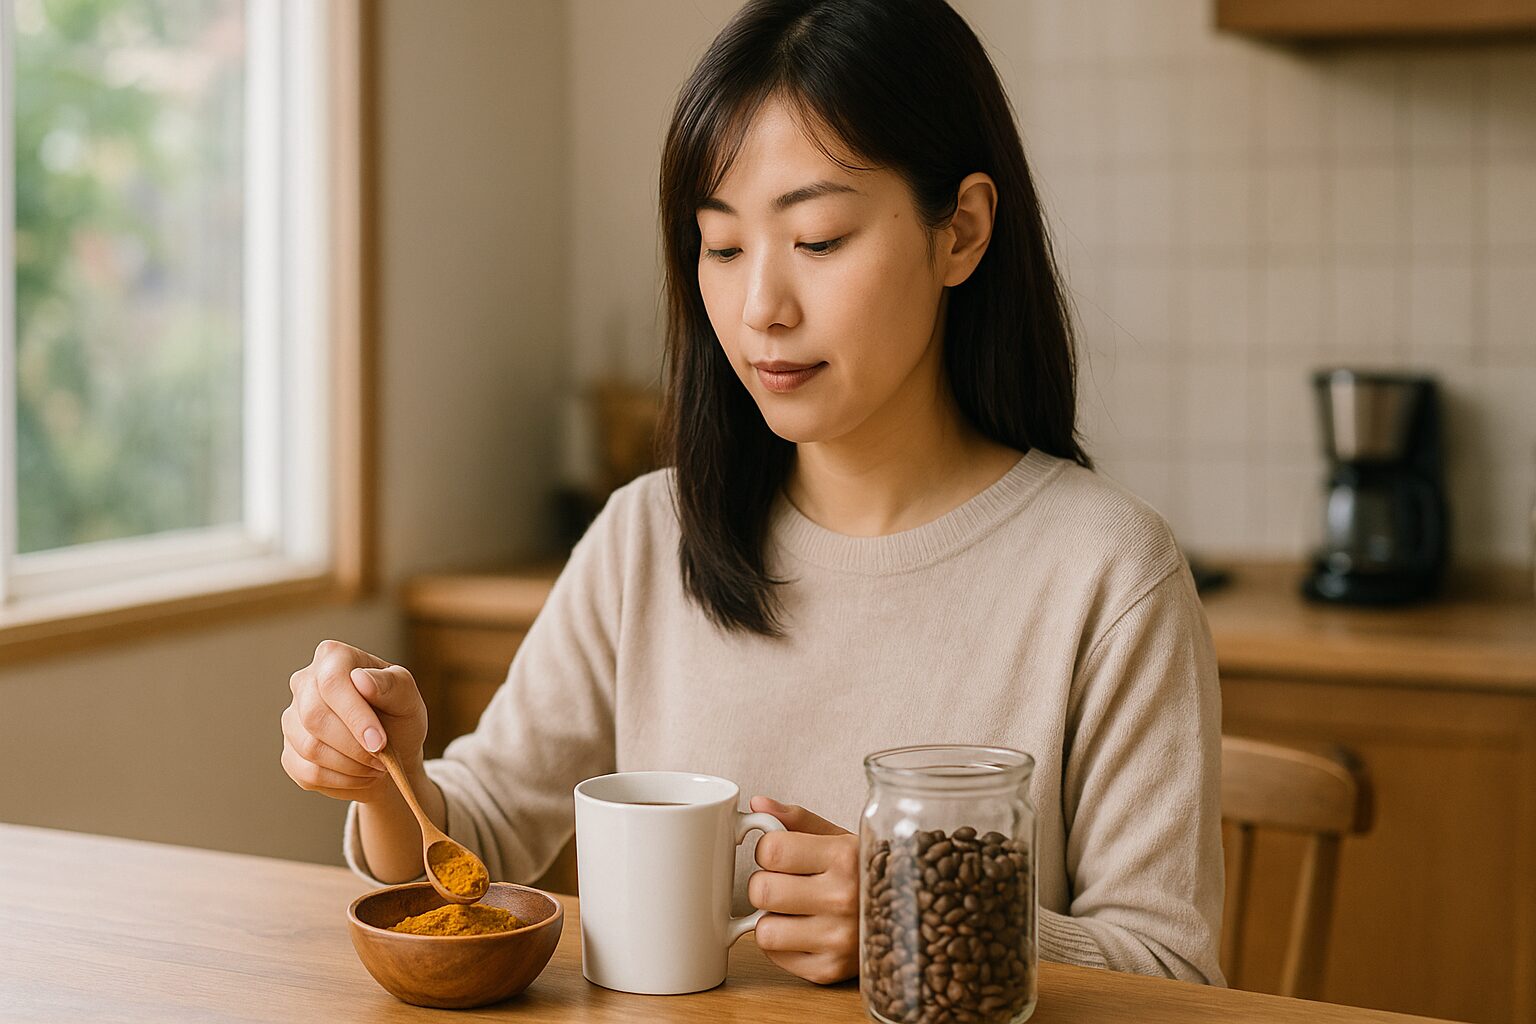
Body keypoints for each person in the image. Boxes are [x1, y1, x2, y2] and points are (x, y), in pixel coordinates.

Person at [279, 0, 1224, 988]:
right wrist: (386, 770)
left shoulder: (1109, 571)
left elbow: (1173, 972)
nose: (760, 310)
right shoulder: (650, 536)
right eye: (722, 248)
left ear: (963, 231)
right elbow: (476, 839)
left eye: (817, 239)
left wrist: (916, 917)